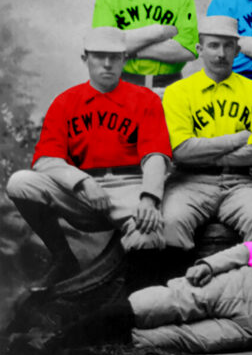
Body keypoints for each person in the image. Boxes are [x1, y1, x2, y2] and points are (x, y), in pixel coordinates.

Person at [37, 188, 252, 355]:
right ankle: (56, 342)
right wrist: (210, 263)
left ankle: (80, 350)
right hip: (241, 284)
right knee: (156, 302)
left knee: (173, 342)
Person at [6, 28, 171, 289]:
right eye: (99, 56)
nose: (107, 64)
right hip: (82, 194)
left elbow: (156, 155)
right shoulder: (65, 102)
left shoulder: (145, 99)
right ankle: (63, 257)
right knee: (20, 182)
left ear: (124, 59)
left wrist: (149, 199)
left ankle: (130, 306)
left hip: (130, 187)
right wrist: (83, 183)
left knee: (148, 237)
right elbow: (46, 159)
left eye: (114, 57)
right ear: (85, 59)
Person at [158, 16, 252, 261]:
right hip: (189, 181)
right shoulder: (177, 92)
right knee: (171, 222)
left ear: (238, 50)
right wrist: (238, 139)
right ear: (200, 50)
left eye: (227, 46)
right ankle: (180, 293)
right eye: (213, 45)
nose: (221, 53)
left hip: (241, 182)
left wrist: (202, 150)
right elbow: (181, 151)